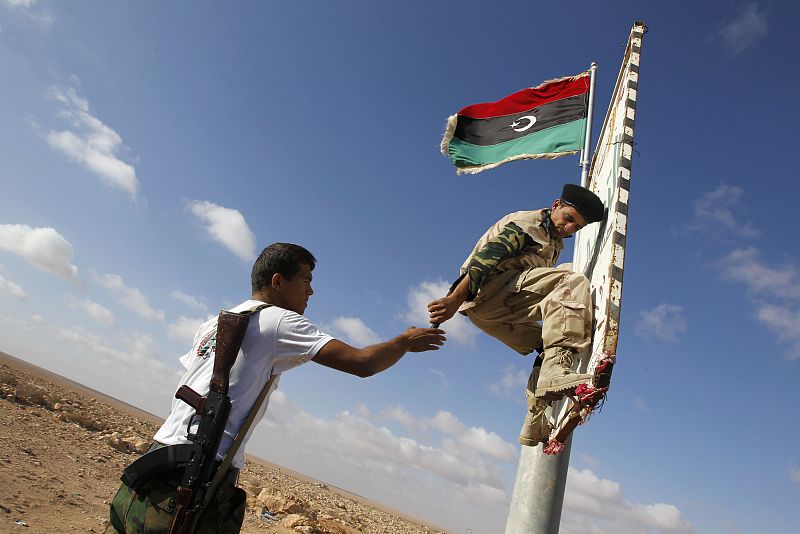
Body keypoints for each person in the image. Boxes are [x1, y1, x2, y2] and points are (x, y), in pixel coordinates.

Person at [106, 242, 445, 533]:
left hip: (157, 458)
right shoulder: (279, 320)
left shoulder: (215, 322)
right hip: (198, 470)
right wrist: (403, 342)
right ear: (278, 281)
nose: (311, 291)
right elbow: (362, 363)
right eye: (306, 280)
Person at [427, 184, 603, 447]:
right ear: (556, 205)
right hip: (489, 293)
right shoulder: (530, 224)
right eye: (568, 218)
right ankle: (554, 372)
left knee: (549, 344)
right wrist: (454, 299)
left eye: (576, 227)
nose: (569, 228)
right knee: (571, 279)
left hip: (497, 313)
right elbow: (486, 259)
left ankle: (535, 420)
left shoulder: (554, 241)